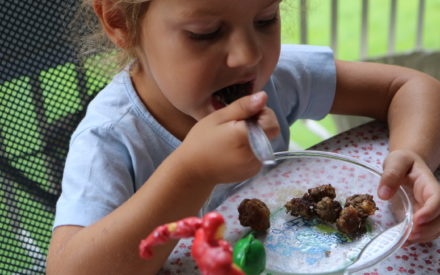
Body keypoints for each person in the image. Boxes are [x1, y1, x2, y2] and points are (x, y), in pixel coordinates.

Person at [46, 0, 440, 274]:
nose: (247, 55)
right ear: (120, 21)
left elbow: (410, 87)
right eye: (206, 32)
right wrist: (192, 172)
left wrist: (409, 154)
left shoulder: (278, 77)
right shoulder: (111, 138)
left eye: (266, 19)